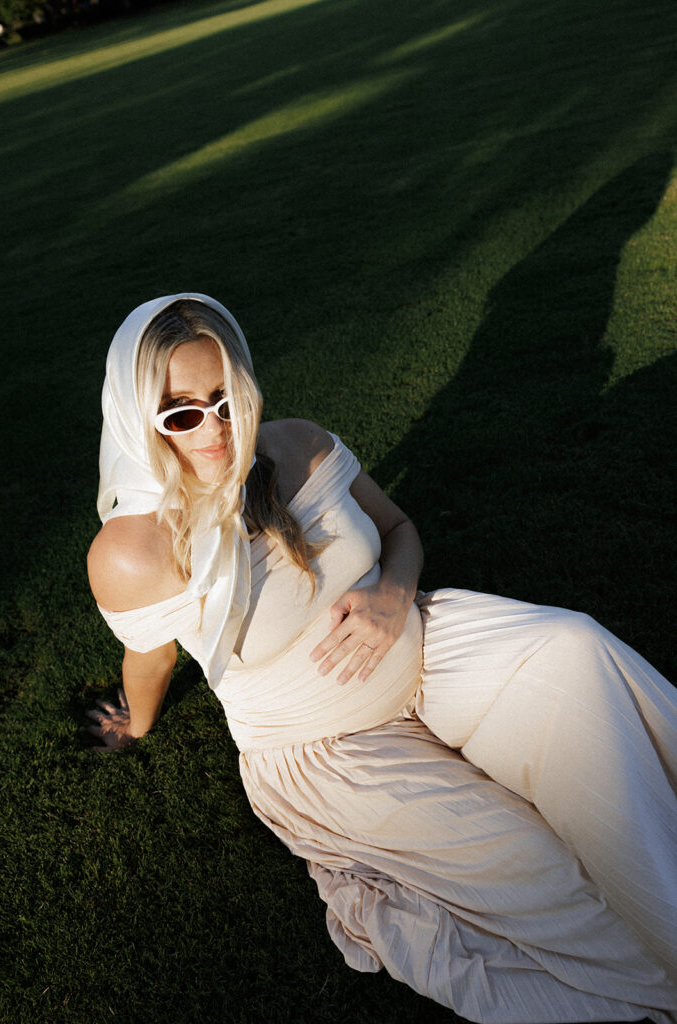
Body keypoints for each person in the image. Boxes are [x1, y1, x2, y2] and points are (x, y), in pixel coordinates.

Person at [87, 293, 677, 1024]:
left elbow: (397, 526)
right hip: (326, 748)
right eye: (180, 413)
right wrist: (138, 723)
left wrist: (393, 594)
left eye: (225, 399)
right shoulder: (132, 554)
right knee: (537, 867)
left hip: (426, 649)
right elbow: (150, 657)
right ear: (136, 420)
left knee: (573, 651)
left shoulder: (298, 443)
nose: (215, 430)